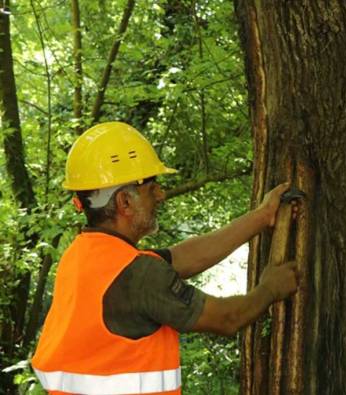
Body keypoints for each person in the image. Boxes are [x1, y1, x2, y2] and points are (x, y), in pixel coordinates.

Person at [31, 121, 299, 394]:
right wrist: (269, 289)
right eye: (152, 188)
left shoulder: (82, 255)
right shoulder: (139, 275)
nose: (161, 194)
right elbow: (226, 319)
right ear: (124, 202)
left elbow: (186, 256)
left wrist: (262, 216)